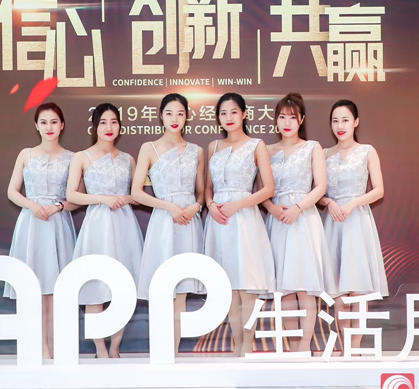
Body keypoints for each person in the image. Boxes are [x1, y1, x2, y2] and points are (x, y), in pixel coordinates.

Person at [67, 103, 144, 359]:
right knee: (95, 286)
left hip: (124, 224)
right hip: (97, 224)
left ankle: (115, 348)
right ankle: (100, 349)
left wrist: (126, 199)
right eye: (103, 122)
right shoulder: (82, 157)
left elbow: (137, 195)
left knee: (123, 286)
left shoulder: (128, 159)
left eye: (113, 122)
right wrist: (102, 198)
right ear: (94, 126)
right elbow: (72, 194)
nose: (109, 127)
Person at [4, 102, 80, 359]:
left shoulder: (73, 158)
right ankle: (39, 347)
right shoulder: (26, 154)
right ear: (36, 126)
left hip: (58, 224)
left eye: (54, 122)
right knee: (32, 286)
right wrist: (32, 206)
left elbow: (77, 198)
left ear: (62, 125)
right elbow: (12, 191)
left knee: (57, 289)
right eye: (44, 122)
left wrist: (58, 206)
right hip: (31, 224)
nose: (49, 127)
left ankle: (56, 347)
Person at [132, 93, 206, 355]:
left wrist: (196, 206)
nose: (175, 119)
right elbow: (137, 193)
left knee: (182, 290)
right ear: (160, 116)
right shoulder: (149, 148)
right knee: (162, 288)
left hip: (188, 223)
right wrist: (169, 207)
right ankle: (160, 353)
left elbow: (201, 192)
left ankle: (172, 354)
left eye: (180, 113)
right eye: (169, 113)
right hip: (163, 222)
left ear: (187, 117)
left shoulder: (197, 151)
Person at [262, 93, 336, 353]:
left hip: (303, 219)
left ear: (301, 120)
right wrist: (272, 208)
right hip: (277, 220)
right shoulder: (266, 150)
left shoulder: (312, 147)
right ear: (275, 120)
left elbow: (321, 186)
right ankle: (292, 348)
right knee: (284, 290)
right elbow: (260, 190)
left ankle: (304, 347)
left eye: (292, 118)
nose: (287, 122)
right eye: (282, 117)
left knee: (305, 287)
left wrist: (298, 208)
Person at [203, 92, 275, 357]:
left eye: (234, 112)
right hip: (219, 220)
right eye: (223, 113)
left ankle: (248, 345)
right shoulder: (213, 146)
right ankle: (236, 345)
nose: (228, 118)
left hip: (244, 219)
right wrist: (211, 205)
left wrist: (237, 205)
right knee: (228, 286)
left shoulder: (257, 145)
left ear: (244, 114)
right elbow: (207, 188)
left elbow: (268, 189)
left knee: (246, 284)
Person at [317, 99, 387, 350]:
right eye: (335, 121)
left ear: (356, 122)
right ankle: (345, 345)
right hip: (333, 222)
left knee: (357, 289)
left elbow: (379, 190)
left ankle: (355, 348)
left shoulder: (367, 151)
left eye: (345, 120)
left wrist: (353, 203)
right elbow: (317, 191)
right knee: (337, 289)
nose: (340, 126)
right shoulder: (324, 154)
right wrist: (328, 202)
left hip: (357, 221)